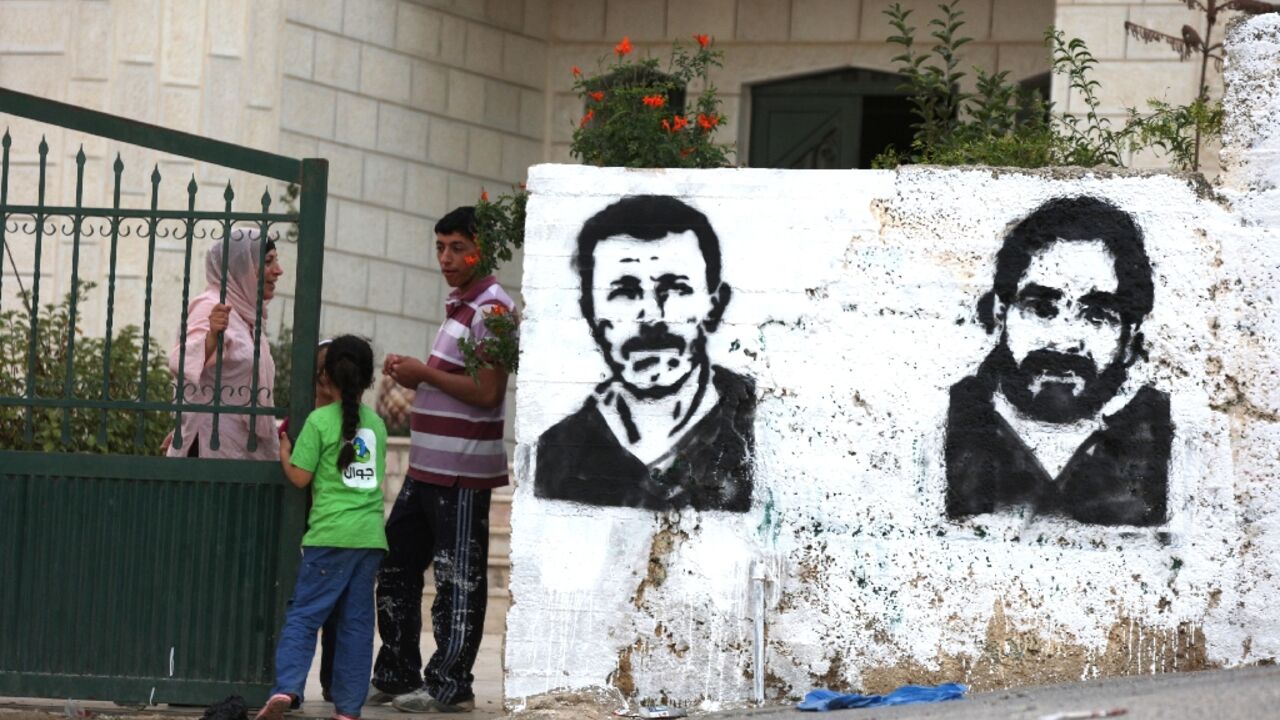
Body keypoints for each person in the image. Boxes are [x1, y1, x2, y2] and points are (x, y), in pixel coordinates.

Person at [945, 196, 1172, 526]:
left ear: (1129, 336)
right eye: (1042, 309)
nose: (1065, 340)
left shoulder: (1164, 439)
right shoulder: (943, 427)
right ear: (999, 313)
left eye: (1096, 315)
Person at [370, 206, 516, 714]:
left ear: (482, 249)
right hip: (427, 467)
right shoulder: (460, 305)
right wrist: (415, 373)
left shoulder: (492, 309)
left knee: (457, 580)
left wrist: (423, 375)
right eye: (440, 247)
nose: (446, 258)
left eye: (457, 247)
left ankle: (450, 687)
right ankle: (397, 675)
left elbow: (488, 391)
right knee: (396, 565)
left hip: (461, 471)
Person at [534, 194, 756, 512]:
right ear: (589, 312)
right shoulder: (558, 454)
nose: (651, 315)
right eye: (624, 292)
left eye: (676, 288)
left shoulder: (760, 427)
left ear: (715, 306)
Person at [256, 335, 387, 720]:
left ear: (325, 376)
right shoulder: (376, 426)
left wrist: (283, 450)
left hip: (328, 537)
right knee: (357, 625)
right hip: (369, 539)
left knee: (305, 615)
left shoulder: (318, 422)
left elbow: (299, 477)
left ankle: (287, 689)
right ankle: (347, 710)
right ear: (367, 379)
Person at [167, 227, 284, 459]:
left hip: (241, 449)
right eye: (269, 261)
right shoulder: (212, 305)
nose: (278, 271)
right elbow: (181, 362)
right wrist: (212, 337)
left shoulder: (248, 315)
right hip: (211, 450)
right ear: (243, 268)